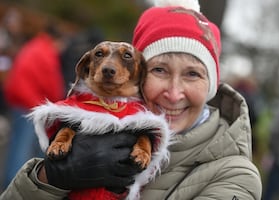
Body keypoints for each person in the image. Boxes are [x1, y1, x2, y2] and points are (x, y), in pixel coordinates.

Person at [0, 0, 262, 199]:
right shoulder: (85, 118)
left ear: (211, 86)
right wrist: (48, 179)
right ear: (137, 76)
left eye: (193, 74)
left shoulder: (235, 176)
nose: (173, 93)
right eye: (159, 70)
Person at [1, 23, 66, 188]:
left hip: (19, 101)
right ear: (56, 40)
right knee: (21, 149)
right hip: (29, 104)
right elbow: (52, 84)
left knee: (16, 146)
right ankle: (14, 187)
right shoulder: (47, 52)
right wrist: (59, 104)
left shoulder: (35, 46)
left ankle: (11, 183)